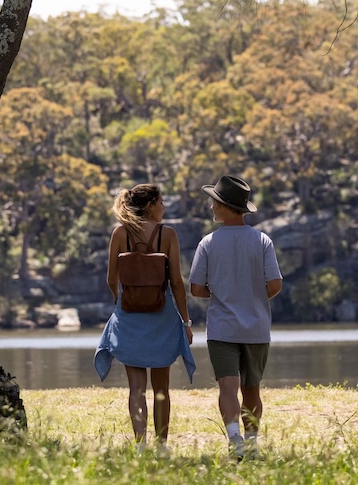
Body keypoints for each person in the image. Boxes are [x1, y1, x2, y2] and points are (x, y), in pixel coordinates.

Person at [95, 184, 196, 454]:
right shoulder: (168, 234)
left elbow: (111, 278)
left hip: (129, 317)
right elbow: (176, 282)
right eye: (161, 202)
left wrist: (123, 301)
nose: (164, 207)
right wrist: (186, 321)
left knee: (136, 388)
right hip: (161, 317)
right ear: (151, 204)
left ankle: (140, 447)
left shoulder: (119, 233)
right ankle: (162, 447)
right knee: (161, 386)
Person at [189, 175, 283, 460]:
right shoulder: (262, 240)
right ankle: (252, 445)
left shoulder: (208, 243)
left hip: (222, 329)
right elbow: (275, 284)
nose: (210, 207)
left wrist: (222, 294)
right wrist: (251, 297)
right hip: (256, 327)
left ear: (224, 206)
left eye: (214, 203)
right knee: (252, 388)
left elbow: (196, 288)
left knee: (227, 387)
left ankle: (235, 442)